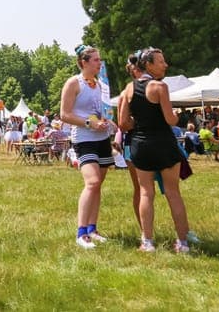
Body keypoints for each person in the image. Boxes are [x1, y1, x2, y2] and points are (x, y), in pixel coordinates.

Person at [117, 47, 193, 254]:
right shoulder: (160, 87)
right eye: (161, 61)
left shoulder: (128, 89)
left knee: (145, 193)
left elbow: (123, 123)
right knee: (173, 193)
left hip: (140, 145)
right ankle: (183, 243)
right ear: (148, 64)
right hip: (163, 143)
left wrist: (141, 124)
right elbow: (170, 120)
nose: (165, 64)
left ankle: (147, 242)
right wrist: (181, 117)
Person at [60, 45, 114, 249]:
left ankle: (93, 228)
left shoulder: (101, 85)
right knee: (91, 182)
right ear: (84, 62)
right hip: (83, 138)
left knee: (98, 184)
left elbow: (101, 111)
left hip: (102, 138)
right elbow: (64, 115)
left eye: (100, 60)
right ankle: (81, 232)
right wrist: (89, 123)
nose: (100, 63)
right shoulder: (73, 83)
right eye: (95, 60)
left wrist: (109, 121)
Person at [115, 52, 144, 233]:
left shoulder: (156, 87)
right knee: (140, 188)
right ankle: (145, 230)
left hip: (153, 141)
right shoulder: (126, 93)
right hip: (132, 143)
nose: (139, 71)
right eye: (136, 69)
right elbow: (122, 123)